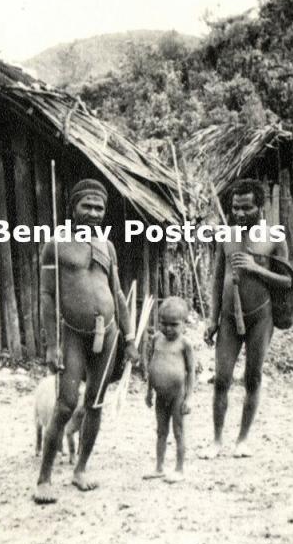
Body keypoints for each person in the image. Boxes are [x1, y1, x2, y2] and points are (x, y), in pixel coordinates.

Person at [33, 179, 139, 503]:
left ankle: (80, 470)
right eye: (87, 206)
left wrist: (130, 337)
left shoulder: (107, 247)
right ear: (73, 208)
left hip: (107, 333)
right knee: (65, 405)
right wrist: (51, 345)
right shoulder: (55, 244)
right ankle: (44, 479)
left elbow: (118, 293)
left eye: (99, 208)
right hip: (74, 335)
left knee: (95, 402)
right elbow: (48, 296)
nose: (93, 213)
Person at [202, 178, 292, 459]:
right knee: (221, 379)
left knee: (251, 378)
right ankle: (216, 441)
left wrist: (257, 268)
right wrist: (212, 318)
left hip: (260, 318)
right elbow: (218, 280)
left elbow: (288, 280)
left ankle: (243, 440)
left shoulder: (274, 237)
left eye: (246, 208)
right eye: (235, 208)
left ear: (260, 208)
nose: (239, 214)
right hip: (229, 318)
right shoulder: (226, 236)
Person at [144, 297, 195, 483]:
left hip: (178, 396)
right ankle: (159, 467)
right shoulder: (157, 339)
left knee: (178, 431)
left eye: (174, 324)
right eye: (164, 323)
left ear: (184, 324)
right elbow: (151, 365)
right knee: (161, 431)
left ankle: (179, 469)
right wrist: (149, 391)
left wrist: (189, 398)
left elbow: (191, 373)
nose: (168, 329)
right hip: (160, 396)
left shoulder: (185, 344)